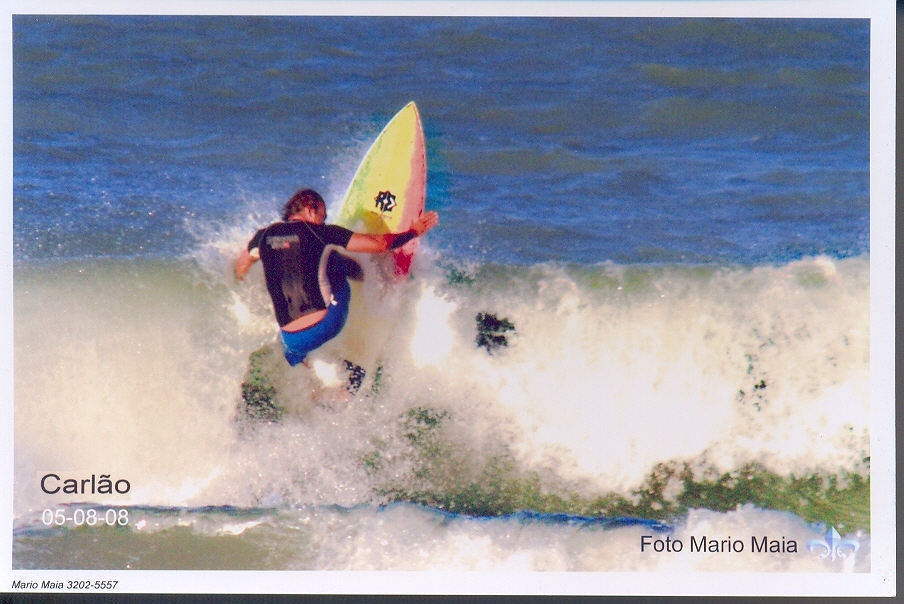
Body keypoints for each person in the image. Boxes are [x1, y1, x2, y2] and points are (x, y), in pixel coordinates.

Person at [235, 188, 438, 388]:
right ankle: (373, 277)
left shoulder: (263, 236)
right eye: (323, 216)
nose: (324, 221)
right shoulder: (321, 232)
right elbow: (380, 244)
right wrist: (413, 231)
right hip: (327, 323)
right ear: (310, 209)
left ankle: (325, 381)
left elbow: (241, 266)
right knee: (331, 256)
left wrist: (241, 285)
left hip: (291, 339)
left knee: (293, 347)